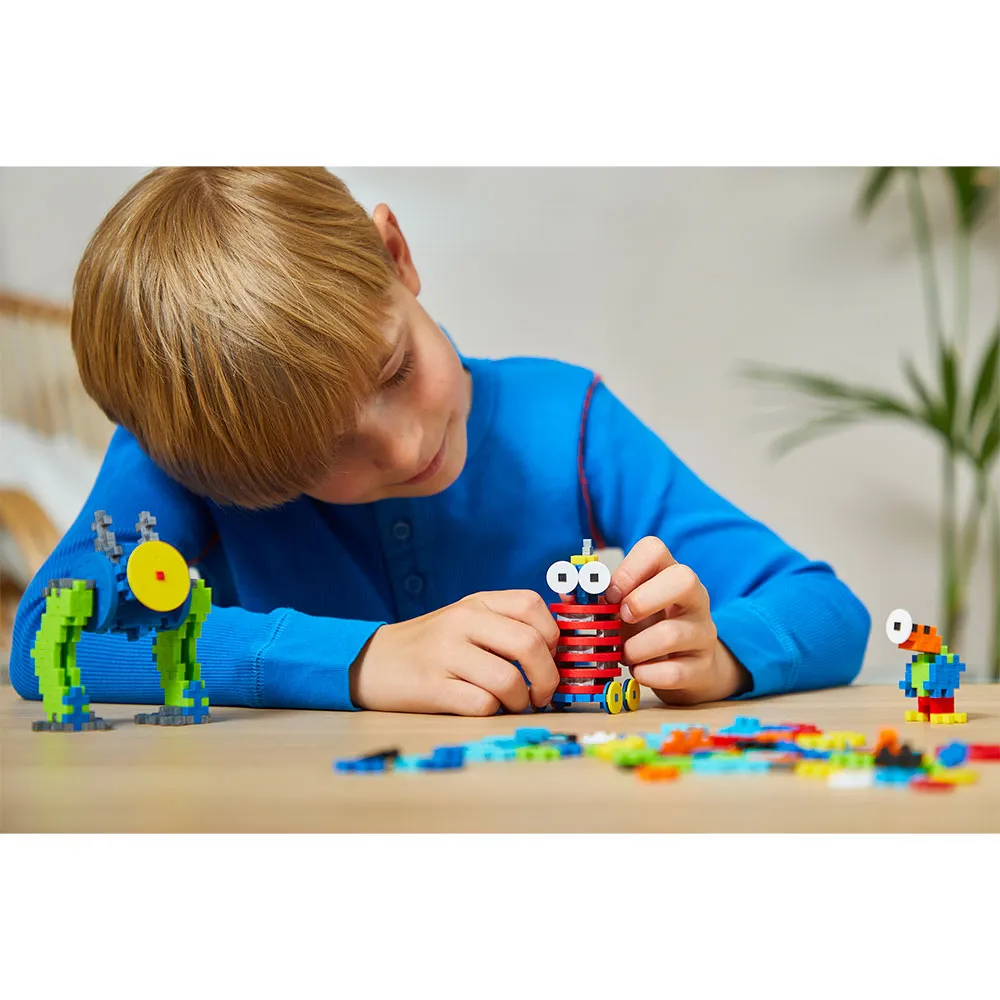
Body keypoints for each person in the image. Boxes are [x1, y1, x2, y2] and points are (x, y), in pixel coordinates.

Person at [10, 167, 871, 717]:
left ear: (396, 255)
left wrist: (723, 655)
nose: (402, 446)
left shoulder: (567, 419)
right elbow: (49, 639)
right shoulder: (197, 445)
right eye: (321, 455)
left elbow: (826, 607)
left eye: (395, 370)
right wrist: (360, 661)